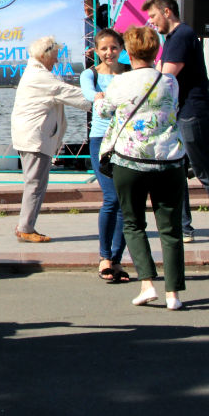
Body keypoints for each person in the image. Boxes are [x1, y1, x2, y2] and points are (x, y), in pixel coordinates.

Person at [97, 25, 186, 310]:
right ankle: (174, 294)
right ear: (155, 50)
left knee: (134, 222)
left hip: (130, 160)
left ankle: (147, 284)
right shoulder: (170, 81)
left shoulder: (121, 82)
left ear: (129, 51)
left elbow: (104, 110)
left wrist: (99, 99)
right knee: (170, 228)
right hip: (169, 160)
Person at [145, 0, 209, 243]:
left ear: (167, 12)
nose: (152, 22)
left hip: (194, 113)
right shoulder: (173, 38)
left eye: (154, 16)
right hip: (183, 114)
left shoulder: (181, 35)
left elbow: (166, 75)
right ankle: (183, 227)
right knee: (176, 169)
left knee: (205, 169)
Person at [10, 36, 92, 243]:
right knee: (35, 184)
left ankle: (25, 225)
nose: (56, 61)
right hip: (34, 139)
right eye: (55, 57)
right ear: (43, 55)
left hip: (33, 137)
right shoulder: (40, 77)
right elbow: (70, 93)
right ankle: (26, 227)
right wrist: (101, 99)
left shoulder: (36, 73)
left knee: (34, 184)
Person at [80, 29, 130, 282]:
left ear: (121, 48)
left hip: (129, 140)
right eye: (104, 48)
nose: (109, 53)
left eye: (113, 47)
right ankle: (104, 257)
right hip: (102, 142)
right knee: (111, 198)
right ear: (96, 51)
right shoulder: (90, 74)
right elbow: (89, 93)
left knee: (125, 201)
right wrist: (100, 96)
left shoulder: (130, 72)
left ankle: (118, 260)